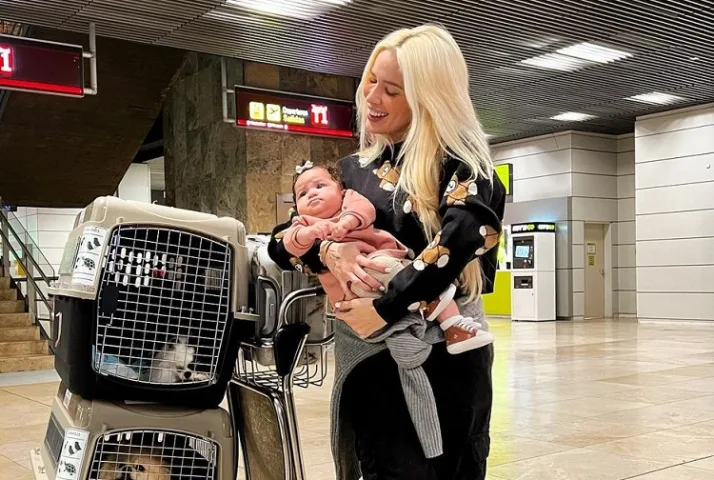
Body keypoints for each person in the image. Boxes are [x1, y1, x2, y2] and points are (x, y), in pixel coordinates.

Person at [268, 23, 505, 480]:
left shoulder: (465, 167)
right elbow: (283, 241)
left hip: (446, 362)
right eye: (370, 81)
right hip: (371, 364)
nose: (372, 96)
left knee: (450, 468)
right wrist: (330, 251)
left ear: (428, 97)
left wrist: (387, 306)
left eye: (392, 89)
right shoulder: (352, 171)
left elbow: (464, 236)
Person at [281, 159, 495, 354]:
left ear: (341, 189)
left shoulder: (349, 199)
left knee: (386, 268)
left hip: (394, 267)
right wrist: (323, 246)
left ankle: (448, 320)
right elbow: (284, 244)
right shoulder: (305, 220)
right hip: (353, 296)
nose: (312, 193)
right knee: (375, 320)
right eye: (302, 194)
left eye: (320, 186)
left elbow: (363, 210)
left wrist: (345, 223)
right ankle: (419, 335)